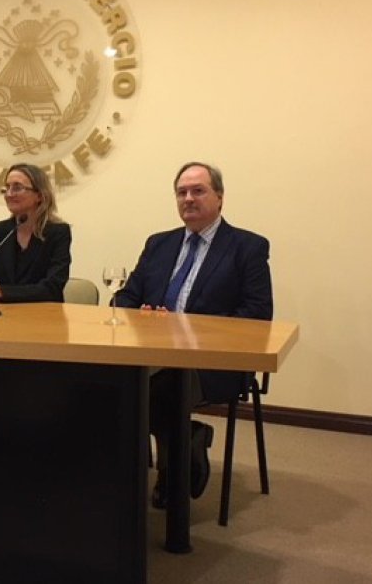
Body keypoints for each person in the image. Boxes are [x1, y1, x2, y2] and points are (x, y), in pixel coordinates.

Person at [114, 161, 273, 509]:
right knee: (112, 385)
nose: (189, 198)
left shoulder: (247, 247)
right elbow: (124, 297)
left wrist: (186, 328)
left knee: (157, 391)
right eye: (182, 192)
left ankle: (180, 457)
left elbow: (258, 316)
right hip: (153, 355)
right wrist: (139, 316)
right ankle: (176, 446)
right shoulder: (159, 244)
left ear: (219, 198)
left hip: (211, 362)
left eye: (198, 190)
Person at [0, 163, 71, 304]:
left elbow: (51, 289)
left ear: (40, 196)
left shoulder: (58, 232)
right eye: (6, 188)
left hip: (43, 318)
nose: (9, 194)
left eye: (17, 188)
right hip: (2, 318)